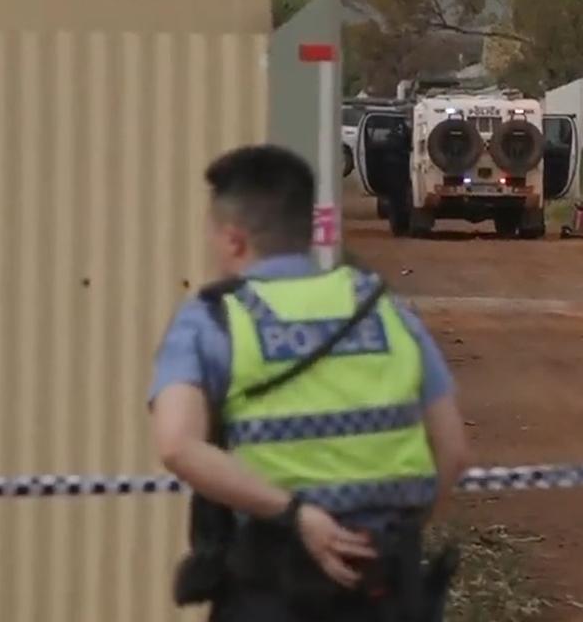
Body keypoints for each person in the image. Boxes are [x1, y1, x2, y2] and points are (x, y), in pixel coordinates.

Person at [149, 144, 469, 621]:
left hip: (272, 588)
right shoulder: (385, 309)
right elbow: (453, 451)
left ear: (233, 240)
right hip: (385, 588)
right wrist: (391, 538)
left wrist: (295, 515)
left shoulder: (213, 319)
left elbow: (177, 445)